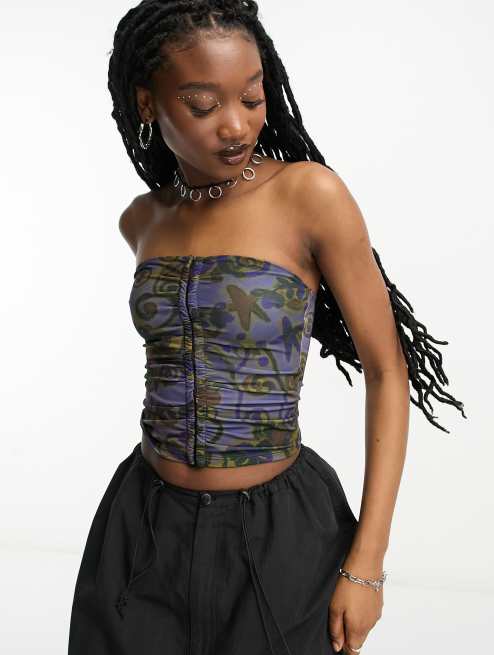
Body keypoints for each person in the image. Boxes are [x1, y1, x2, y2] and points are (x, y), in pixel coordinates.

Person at [67, 1, 466, 654]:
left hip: (279, 534)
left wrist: (366, 562)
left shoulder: (309, 196)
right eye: (203, 105)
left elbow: (387, 368)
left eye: (252, 98)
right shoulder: (142, 219)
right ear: (147, 103)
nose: (236, 124)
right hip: (141, 528)